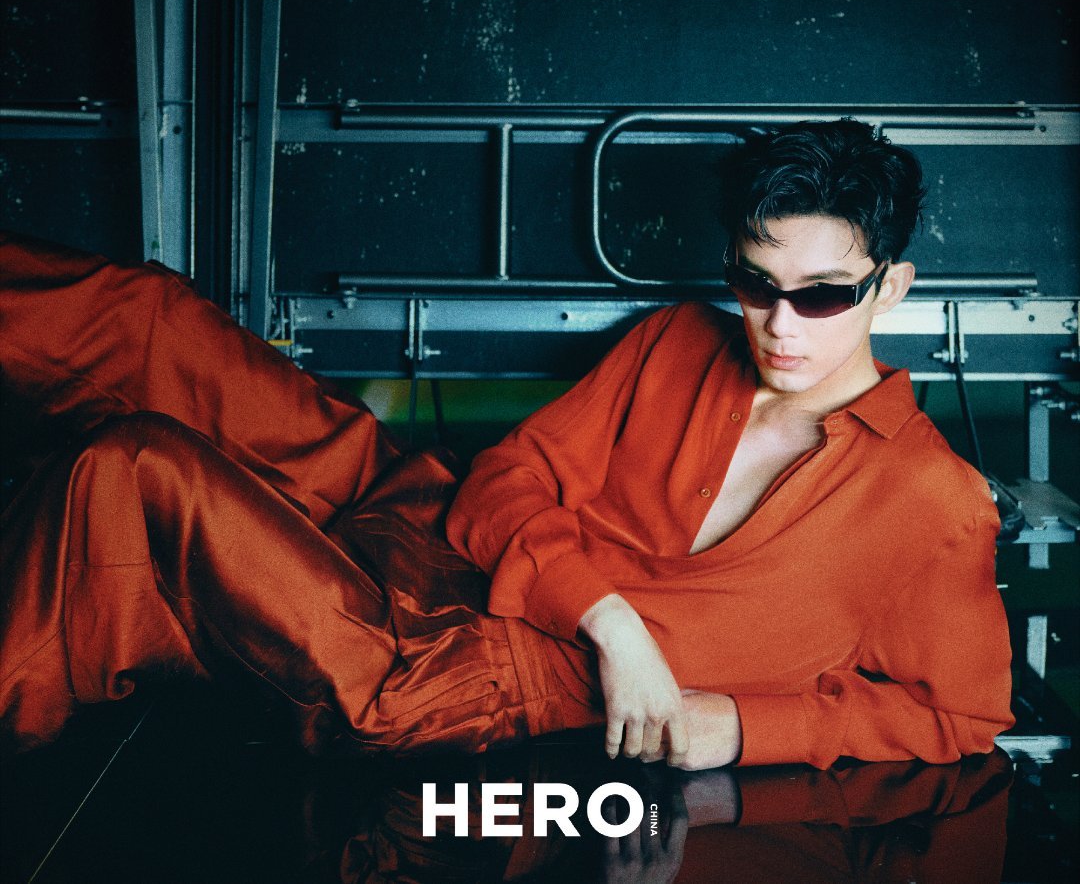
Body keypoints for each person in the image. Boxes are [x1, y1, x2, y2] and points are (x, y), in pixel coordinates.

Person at [0, 119, 1013, 769]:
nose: (780, 325)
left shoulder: (932, 498)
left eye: (823, 296)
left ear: (892, 286)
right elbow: (502, 481)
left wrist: (745, 726)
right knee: (148, 321)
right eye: (755, 283)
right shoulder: (678, 340)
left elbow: (963, 718)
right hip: (424, 518)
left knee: (133, 468)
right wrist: (615, 622)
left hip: (453, 668)